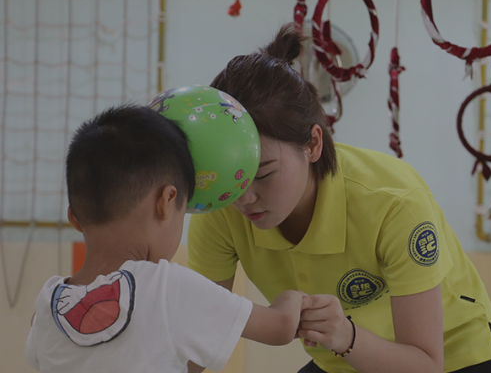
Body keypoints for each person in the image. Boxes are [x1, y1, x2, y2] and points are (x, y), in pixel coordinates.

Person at [187, 24, 491, 373]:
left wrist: (344, 335)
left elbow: (425, 364)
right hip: (344, 357)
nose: (244, 198)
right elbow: (200, 337)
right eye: (234, 179)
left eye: (263, 174)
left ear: (312, 145)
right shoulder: (220, 203)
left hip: (452, 356)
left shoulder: (394, 202)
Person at [25, 105, 305, 373]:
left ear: (74, 218)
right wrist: (294, 298)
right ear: (166, 201)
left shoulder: (47, 303)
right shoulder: (167, 285)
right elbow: (280, 327)